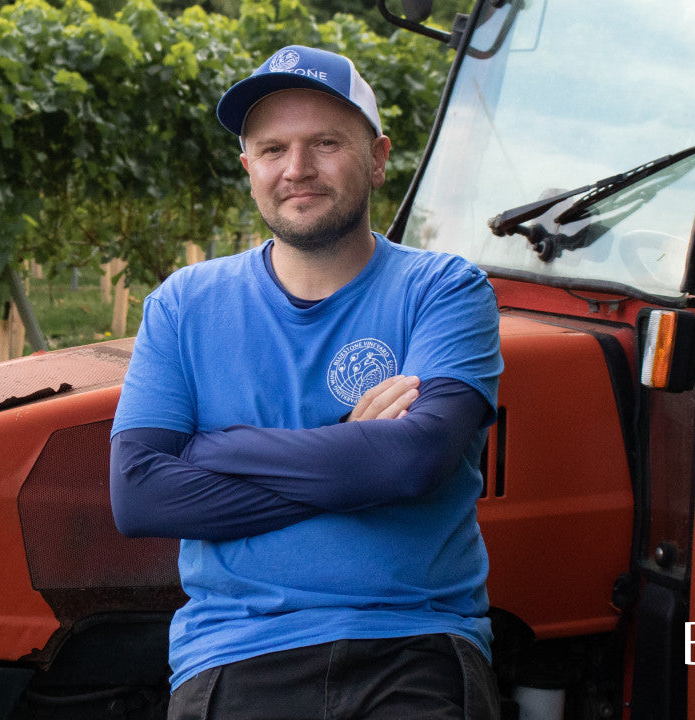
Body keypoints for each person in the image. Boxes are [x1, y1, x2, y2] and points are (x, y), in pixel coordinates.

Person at [109, 45, 504, 720]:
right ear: (248, 169)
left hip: (414, 639)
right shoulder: (184, 304)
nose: (297, 169)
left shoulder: (445, 290)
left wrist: (213, 451)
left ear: (378, 159)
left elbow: (415, 461)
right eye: (272, 149)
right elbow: (139, 496)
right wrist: (350, 456)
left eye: (326, 143)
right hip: (236, 649)